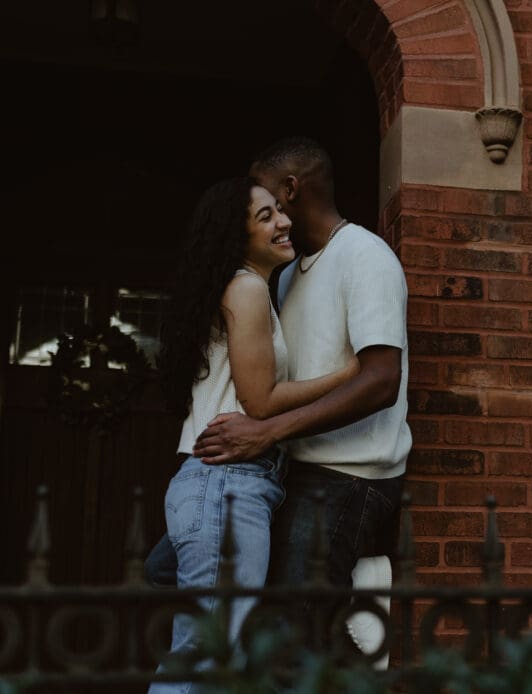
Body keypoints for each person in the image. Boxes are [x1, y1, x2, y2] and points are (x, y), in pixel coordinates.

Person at [150, 176, 357, 693]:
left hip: (215, 483)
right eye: (264, 217)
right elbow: (260, 401)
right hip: (228, 481)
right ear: (234, 236)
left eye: (278, 212)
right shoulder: (245, 288)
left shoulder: (244, 290)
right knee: (205, 657)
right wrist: (350, 374)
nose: (283, 221)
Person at [193, 137, 411, 594]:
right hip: (290, 468)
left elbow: (381, 380)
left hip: (349, 475)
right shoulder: (287, 272)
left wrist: (268, 431)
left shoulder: (365, 255)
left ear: (290, 189)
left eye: (266, 193)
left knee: (296, 625)